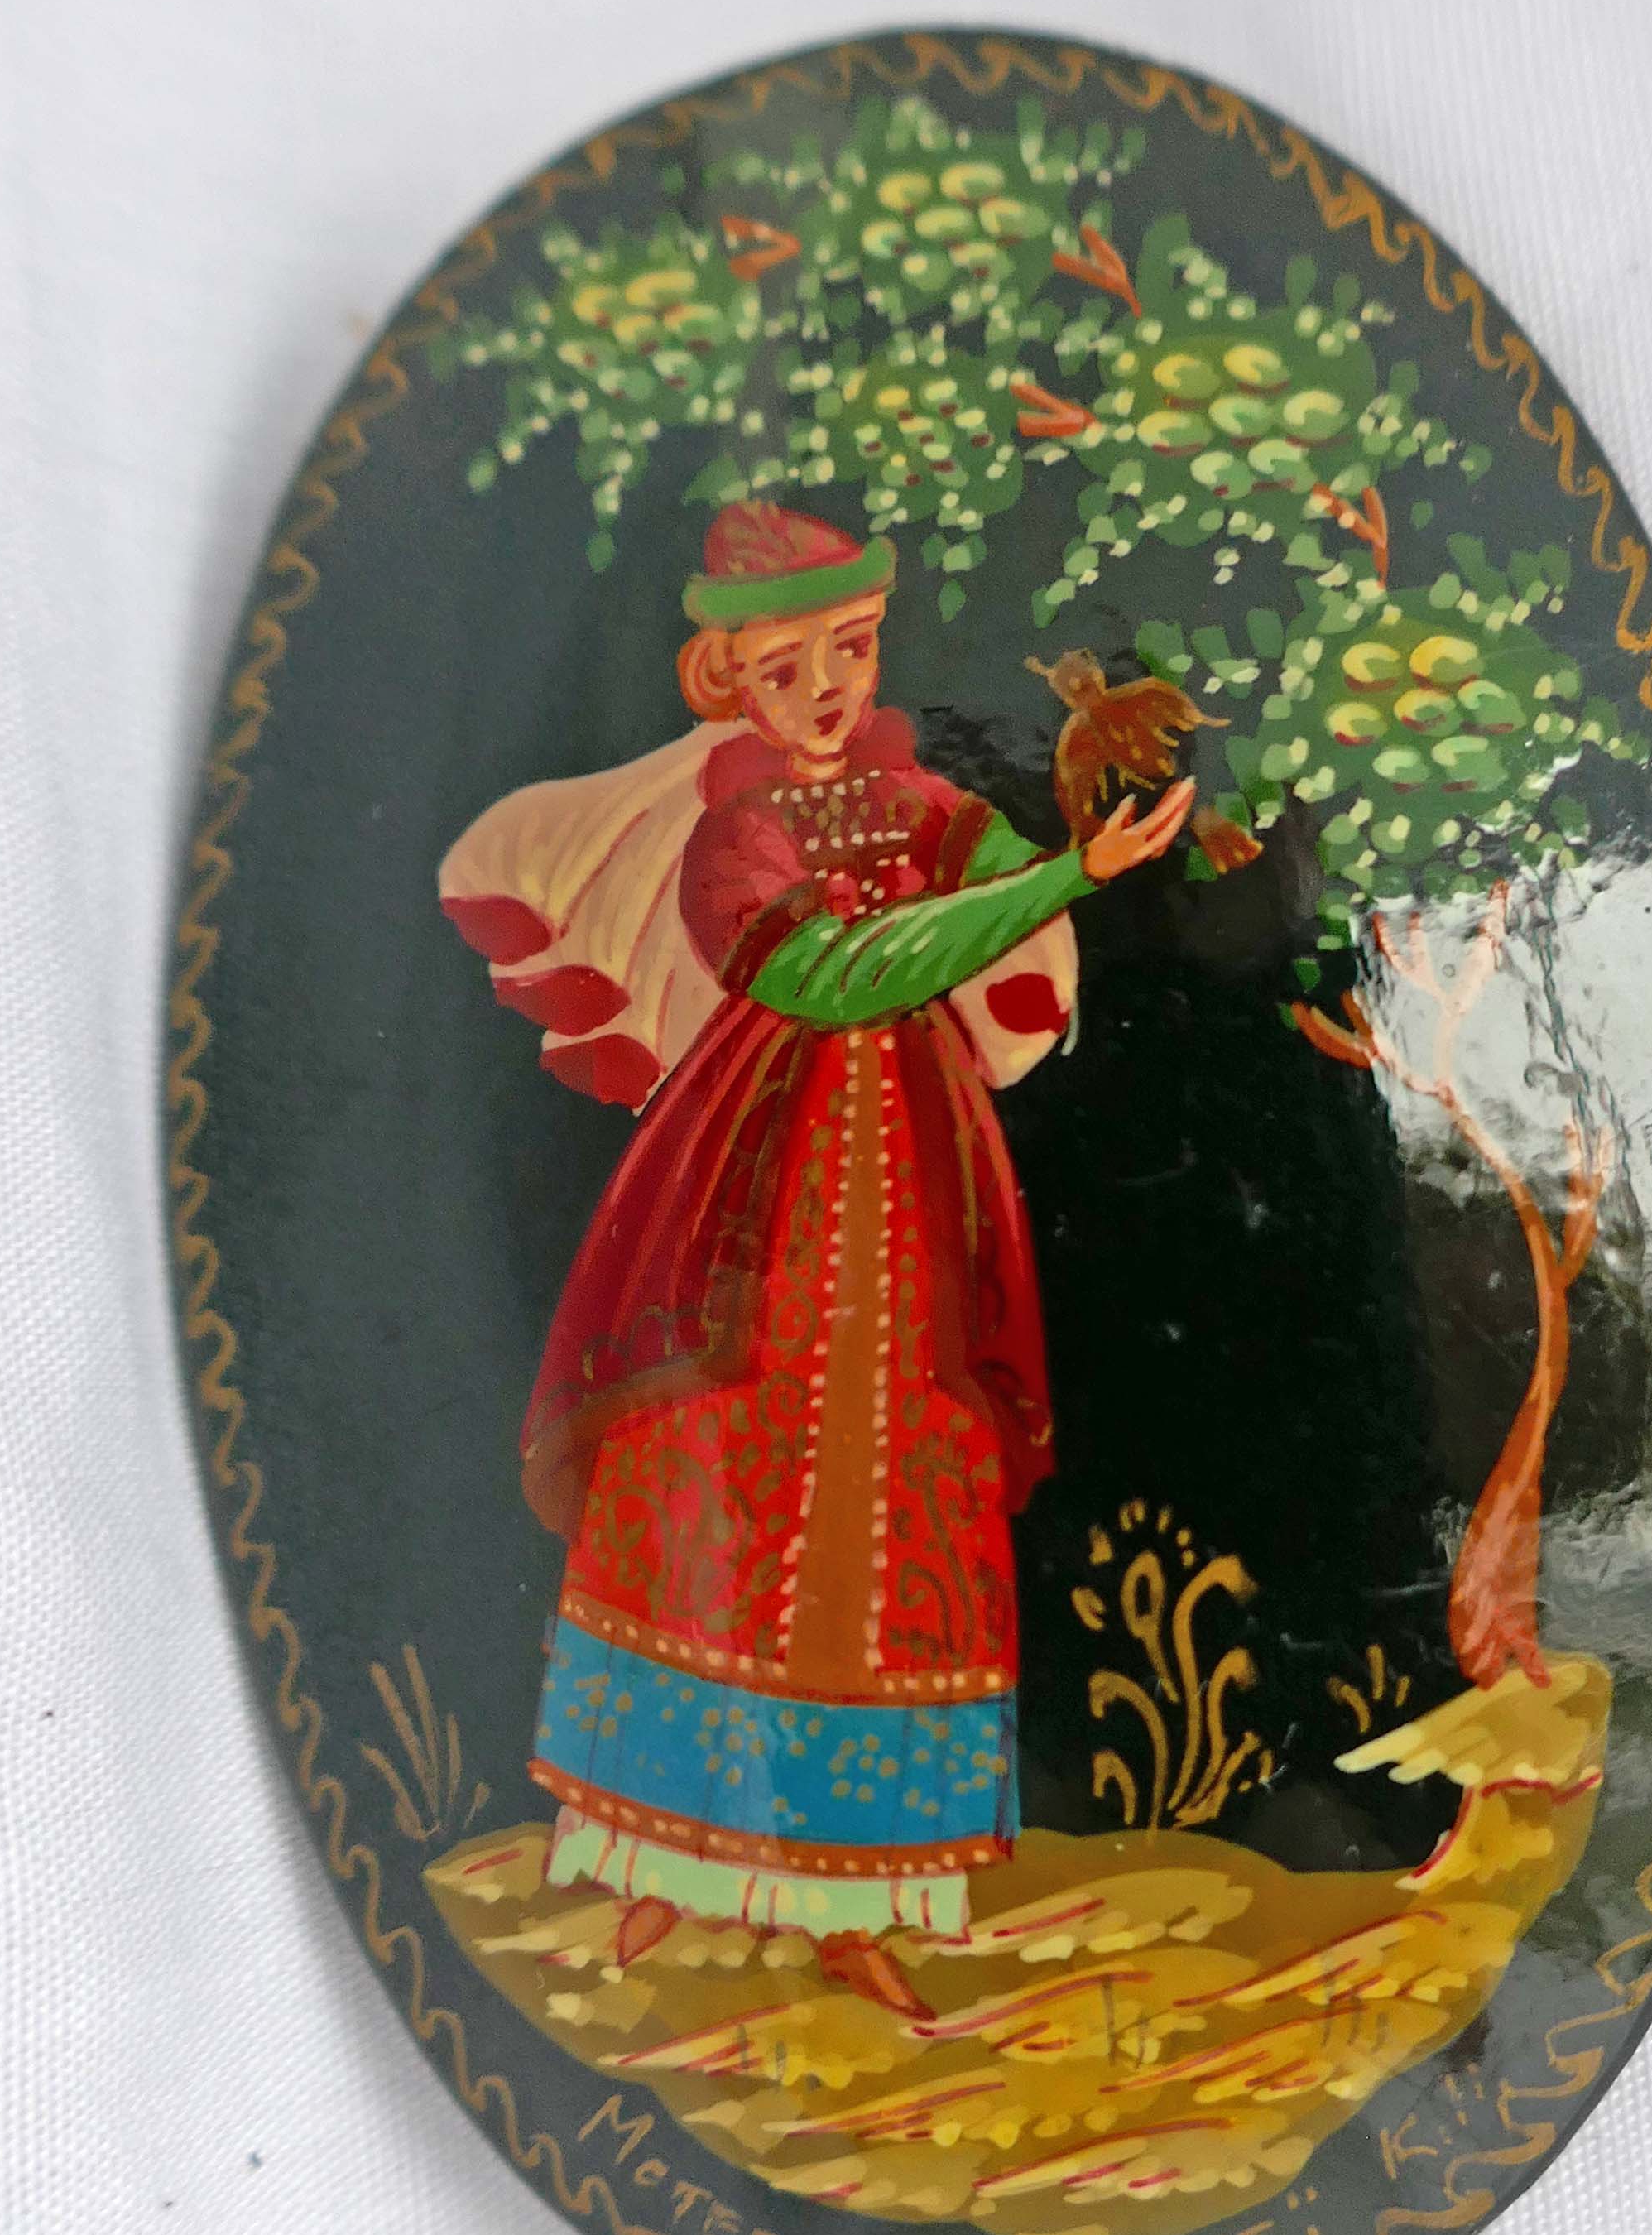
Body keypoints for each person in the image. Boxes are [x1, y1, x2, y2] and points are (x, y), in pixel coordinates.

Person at [440, 503, 1191, 2017]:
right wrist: (1059, 883)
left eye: (848, 650)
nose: (828, 689)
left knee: (892, 1493)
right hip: (751, 1202)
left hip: (917, 1202)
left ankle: (856, 1896)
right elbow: (845, 975)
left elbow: (997, 888)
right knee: (716, 1470)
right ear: (730, 681)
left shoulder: (918, 803)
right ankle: (667, 1859)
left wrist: (1072, 845)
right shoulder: (733, 837)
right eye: (787, 669)